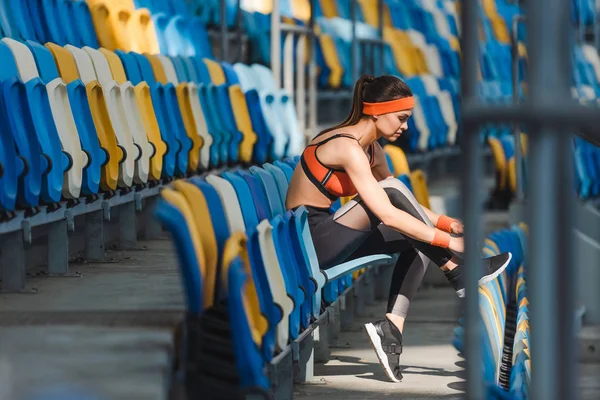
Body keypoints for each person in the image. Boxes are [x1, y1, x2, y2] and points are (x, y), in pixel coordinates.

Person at [285, 75, 512, 383]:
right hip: (309, 241)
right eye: (401, 118)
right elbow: (388, 210)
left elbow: (402, 204)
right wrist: (449, 242)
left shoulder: (372, 150)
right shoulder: (344, 146)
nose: (405, 127)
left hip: (332, 233)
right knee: (397, 200)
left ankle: (391, 329)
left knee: (414, 238)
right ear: (376, 111)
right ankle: (458, 271)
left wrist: (444, 222)